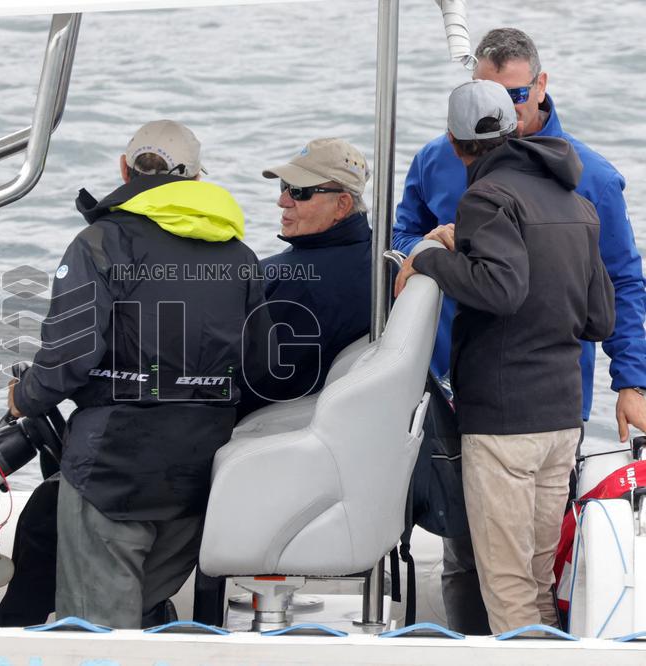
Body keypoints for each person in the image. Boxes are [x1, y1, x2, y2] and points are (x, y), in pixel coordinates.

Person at [392, 27, 646, 633]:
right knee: (464, 548)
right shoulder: (434, 161)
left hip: (521, 398)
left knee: (515, 564)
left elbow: (625, 283)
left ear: (542, 84)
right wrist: (425, 242)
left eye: (517, 92)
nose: (507, 106)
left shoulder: (592, 178)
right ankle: (474, 641)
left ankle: (507, 645)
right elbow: (402, 235)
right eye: (492, 94)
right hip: (453, 383)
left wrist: (632, 380)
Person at [6, 120, 270, 628]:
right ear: (195, 180)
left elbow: (68, 359)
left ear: (125, 170)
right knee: (145, 611)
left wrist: (24, 398)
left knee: (99, 628)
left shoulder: (100, 243)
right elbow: (259, 370)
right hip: (197, 471)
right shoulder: (241, 258)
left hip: (111, 469)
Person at [238, 138, 372, 416]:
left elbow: (254, 383)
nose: (282, 201)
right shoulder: (378, 256)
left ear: (342, 204)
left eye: (299, 191)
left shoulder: (297, 283)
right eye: (284, 187)